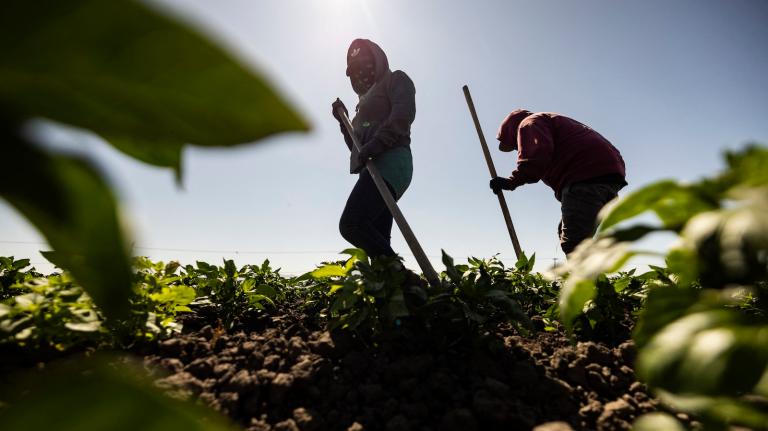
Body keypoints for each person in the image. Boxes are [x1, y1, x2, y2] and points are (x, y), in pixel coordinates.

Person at [489, 110, 627, 256]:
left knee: (574, 244)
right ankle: (591, 273)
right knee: (568, 232)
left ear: (511, 131)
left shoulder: (528, 123)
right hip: (608, 179)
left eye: (515, 145)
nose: (518, 148)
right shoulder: (552, 121)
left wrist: (511, 182)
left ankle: (587, 278)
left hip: (583, 177)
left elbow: (536, 158)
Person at [331, 39, 416, 259]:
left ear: (377, 60)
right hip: (371, 167)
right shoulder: (362, 106)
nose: (362, 72)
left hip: (392, 161)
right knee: (377, 237)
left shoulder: (396, 79)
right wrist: (344, 121)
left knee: (352, 224)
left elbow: (402, 117)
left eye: (366, 64)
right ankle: (392, 289)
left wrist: (375, 145)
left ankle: (405, 280)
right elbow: (356, 148)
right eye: (356, 69)